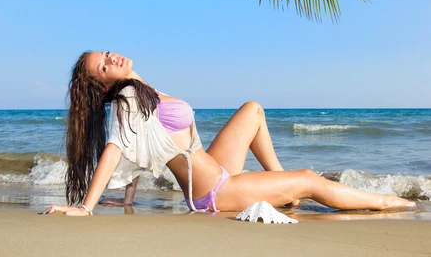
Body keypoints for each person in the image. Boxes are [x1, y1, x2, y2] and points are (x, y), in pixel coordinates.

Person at [44, 51, 415, 216]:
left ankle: (282, 190)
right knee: (308, 179)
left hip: (215, 168)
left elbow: (145, 148)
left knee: (252, 109)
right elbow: (115, 148)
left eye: (107, 53)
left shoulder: (141, 91)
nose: (113, 59)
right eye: (104, 66)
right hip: (214, 192)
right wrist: (85, 208)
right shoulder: (126, 99)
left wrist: (127, 201)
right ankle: (386, 202)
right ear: (103, 84)